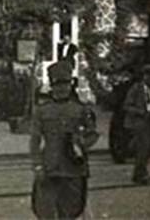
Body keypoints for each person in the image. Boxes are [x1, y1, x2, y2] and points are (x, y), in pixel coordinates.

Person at [29, 60, 99, 220]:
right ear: (52, 86)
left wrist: (80, 143)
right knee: (45, 211)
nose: (61, 89)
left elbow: (92, 134)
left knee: (71, 211)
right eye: (57, 85)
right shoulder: (42, 110)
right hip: (49, 167)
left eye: (65, 84)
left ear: (70, 86)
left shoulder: (81, 109)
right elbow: (35, 140)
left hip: (73, 168)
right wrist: (37, 166)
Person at [122, 63, 150, 185]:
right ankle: (140, 174)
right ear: (143, 76)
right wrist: (139, 111)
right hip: (139, 122)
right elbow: (127, 106)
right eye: (147, 75)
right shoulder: (137, 88)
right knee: (143, 148)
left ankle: (140, 173)